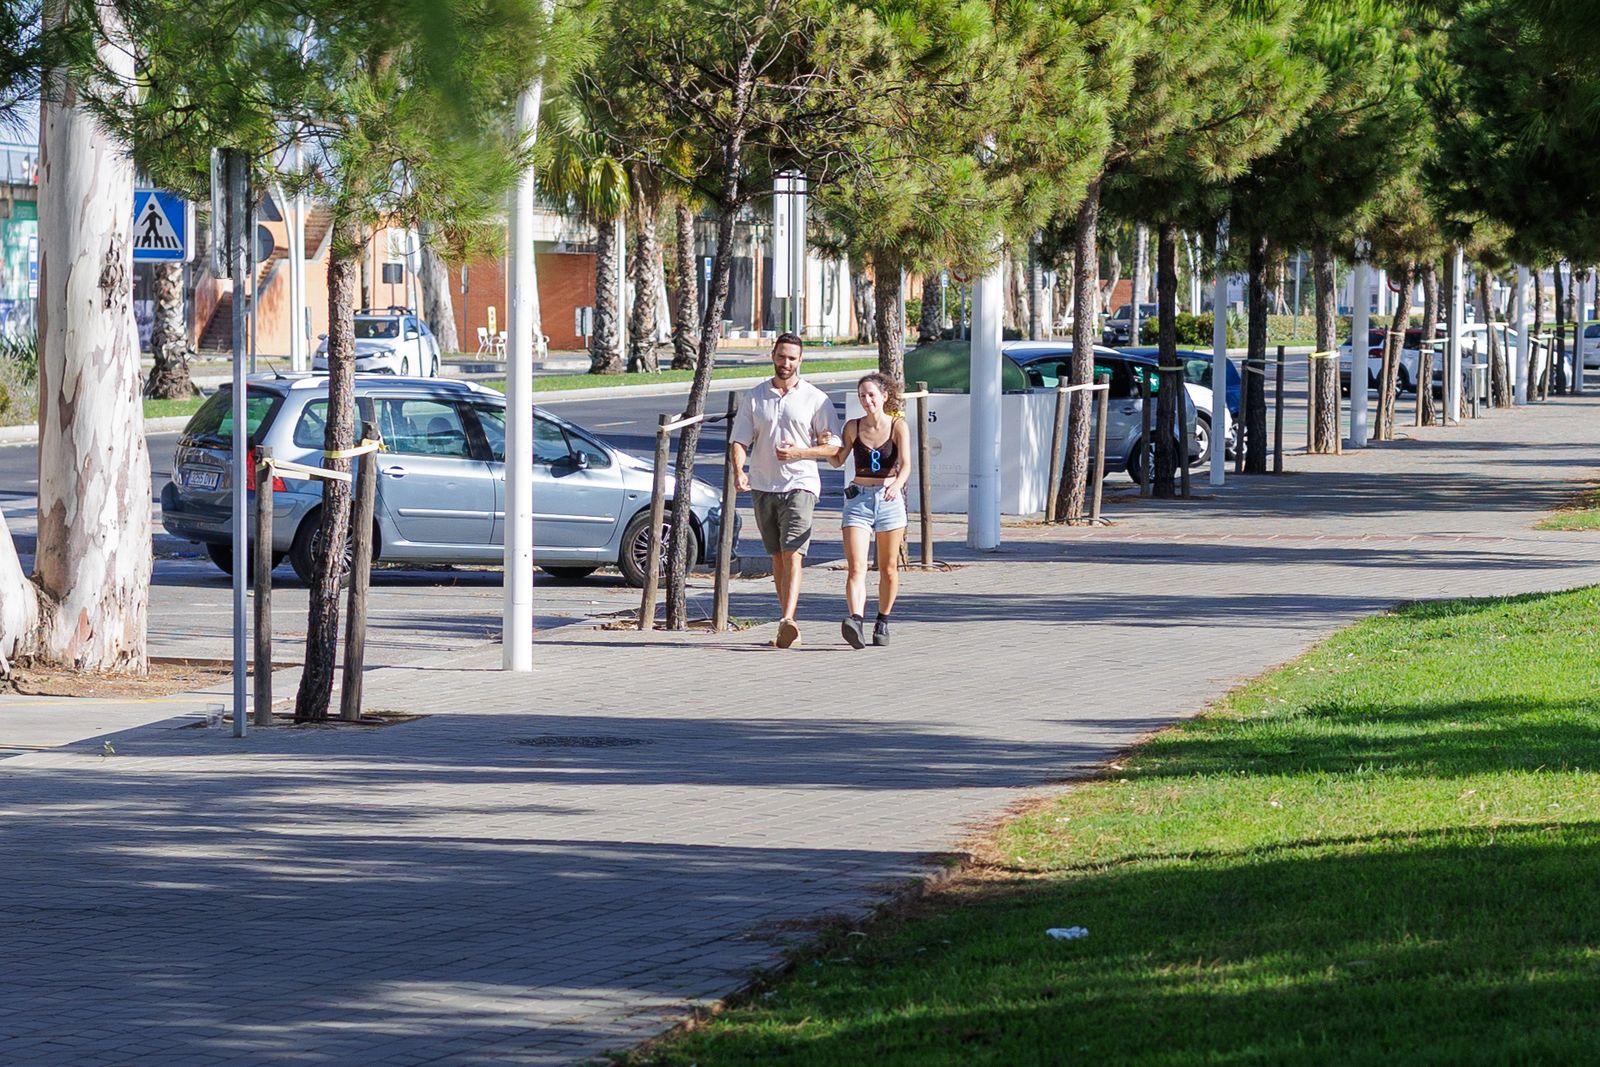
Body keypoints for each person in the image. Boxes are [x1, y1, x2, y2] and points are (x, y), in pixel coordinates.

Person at [729, 333, 840, 648]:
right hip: (764, 486)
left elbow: (833, 448)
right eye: (782, 356)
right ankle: (786, 621)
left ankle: (788, 619)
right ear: (773, 356)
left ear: (800, 360)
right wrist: (740, 472)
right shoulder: (756, 397)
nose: (786, 363)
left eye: (792, 358)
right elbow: (740, 440)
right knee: (776, 556)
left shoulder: (816, 399)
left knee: (794, 554)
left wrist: (800, 453)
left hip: (800, 484)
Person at [828, 372, 910, 648]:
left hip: (888, 500)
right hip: (858, 500)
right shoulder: (853, 427)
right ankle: (855, 620)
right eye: (862, 395)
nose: (867, 400)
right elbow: (838, 461)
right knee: (856, 567)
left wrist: (896, 484)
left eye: (872, 394)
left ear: (884, 396)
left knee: (888, 568)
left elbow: (907, 465)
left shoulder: (898, 426)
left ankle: (882, 621)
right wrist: (824, 445)